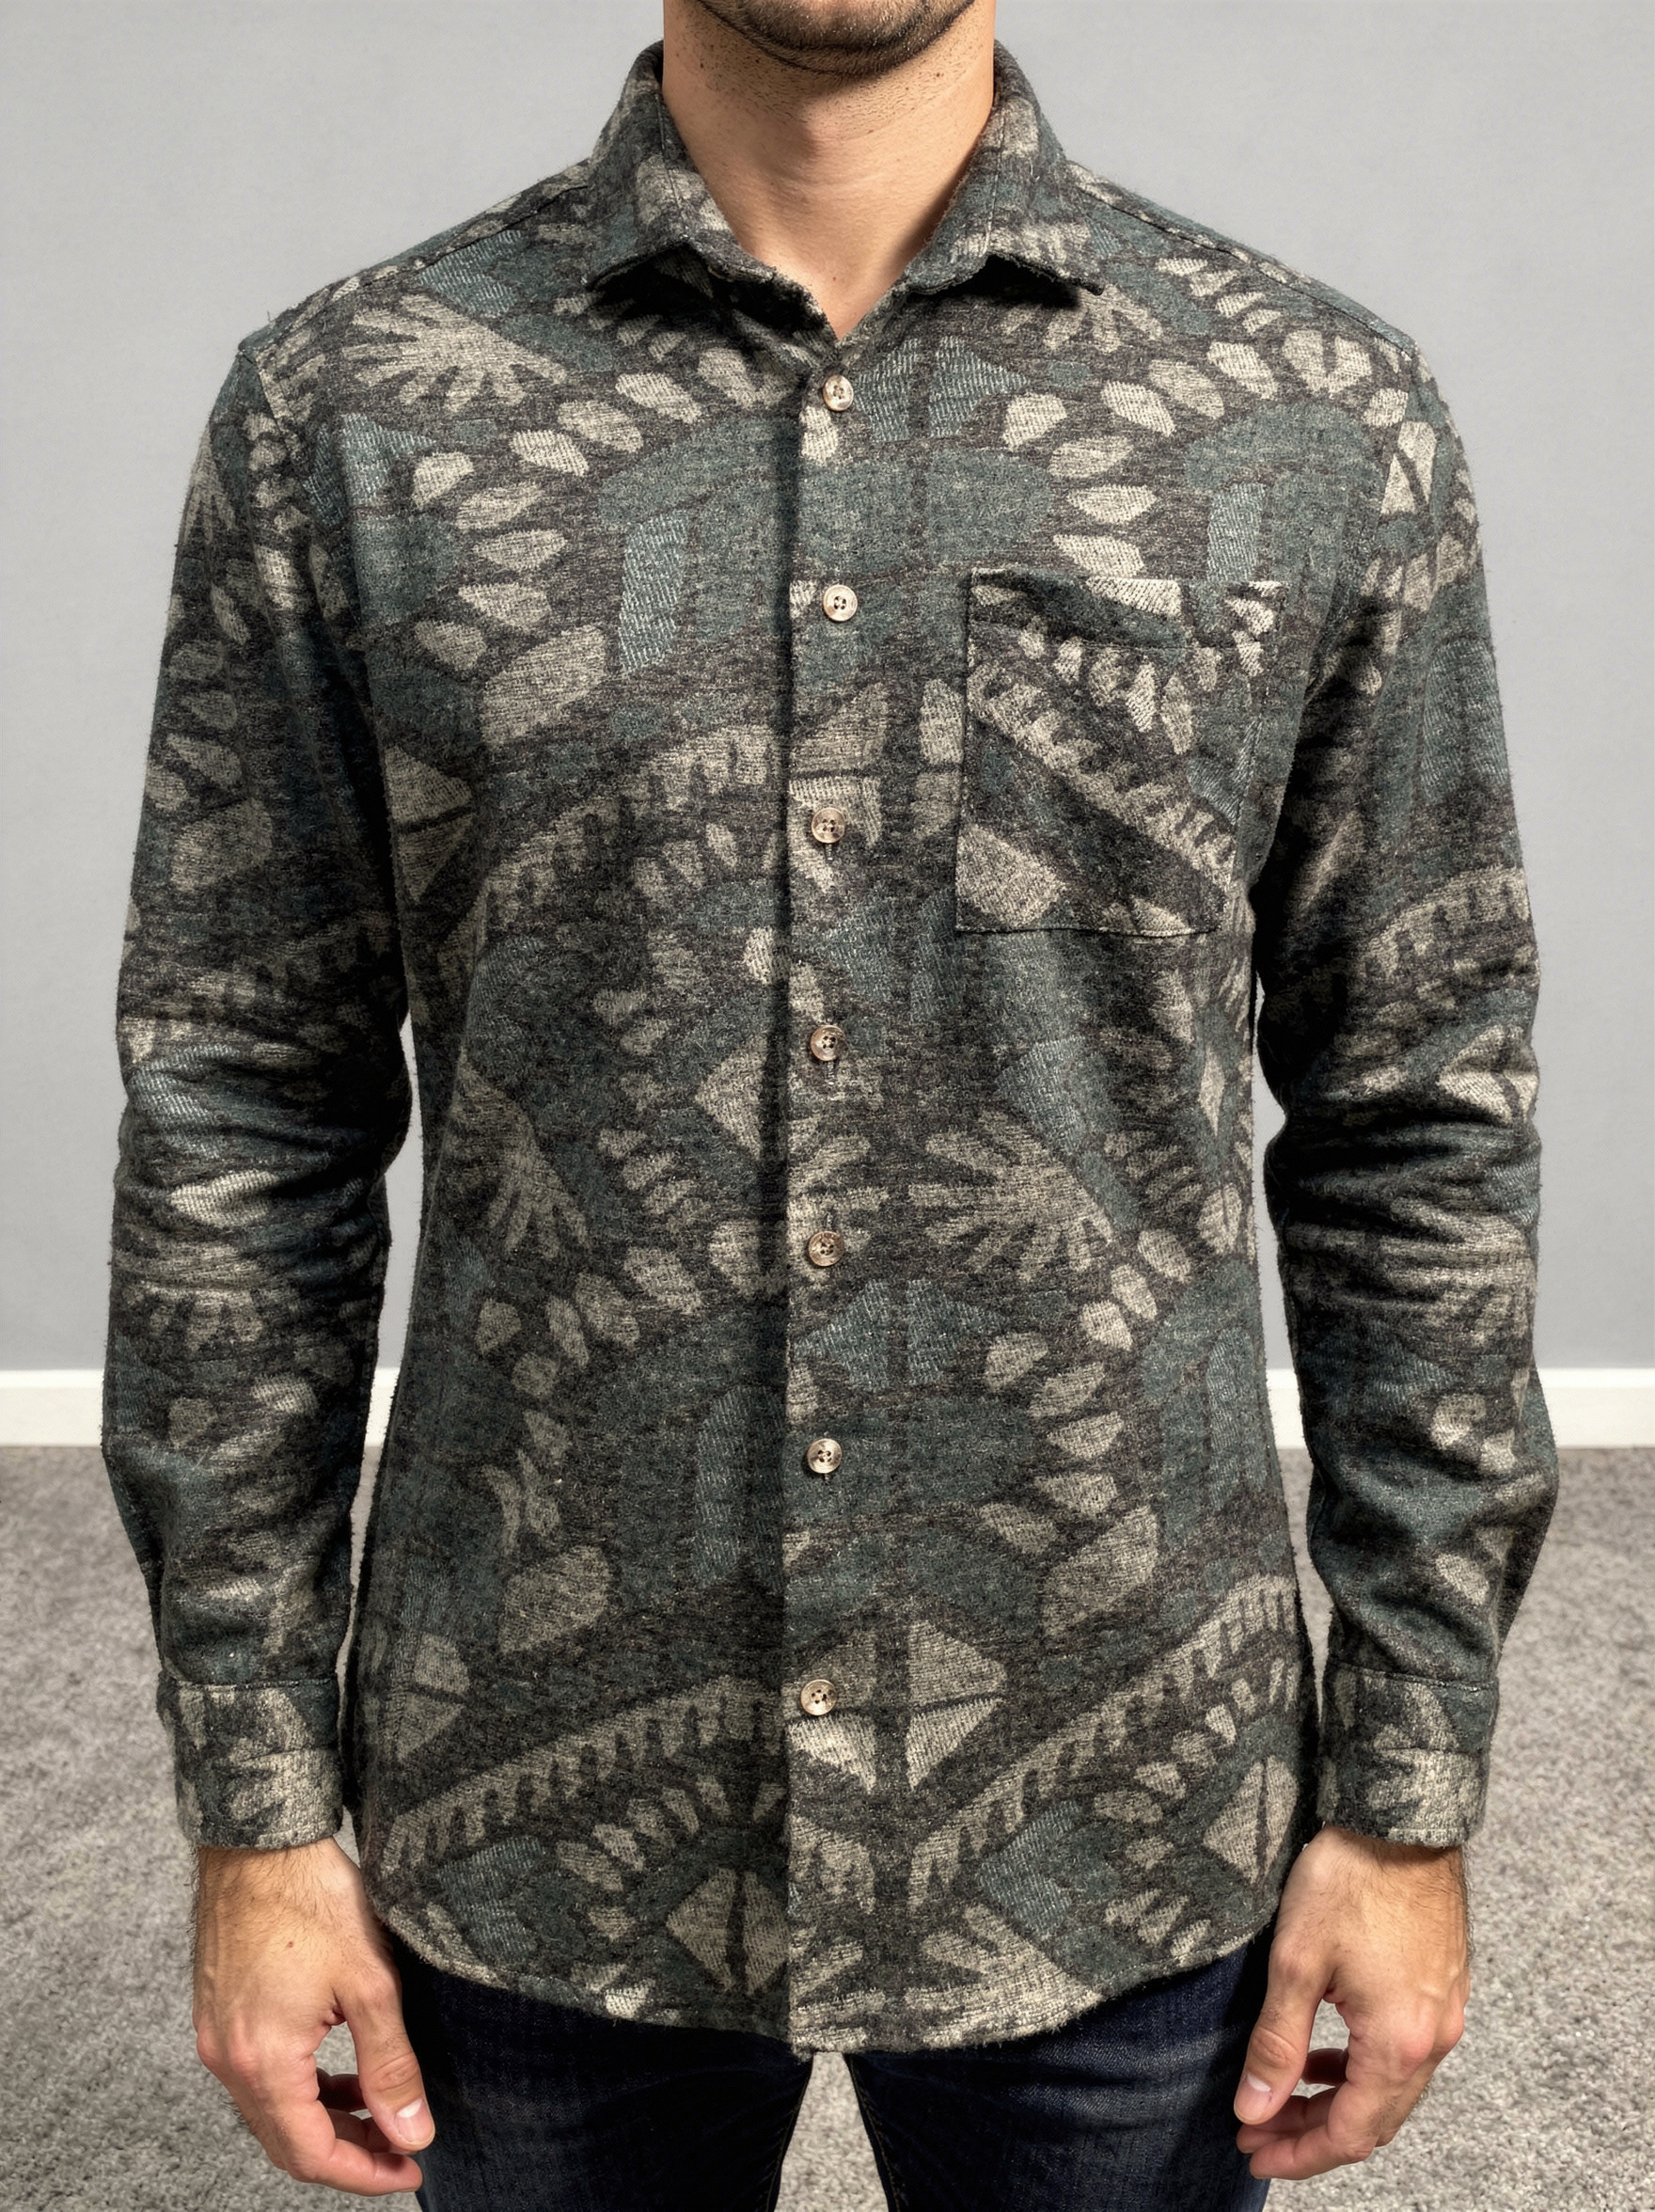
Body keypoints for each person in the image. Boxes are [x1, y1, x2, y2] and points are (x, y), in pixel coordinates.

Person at [102, 1, 1558, 2204]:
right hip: (534, 1807)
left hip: (1119, 1808)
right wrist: (254, 1807)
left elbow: (1419, 1106)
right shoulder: (351, 407)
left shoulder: (1310, 413)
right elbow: (240, 1114)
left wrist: (1407, 1793)